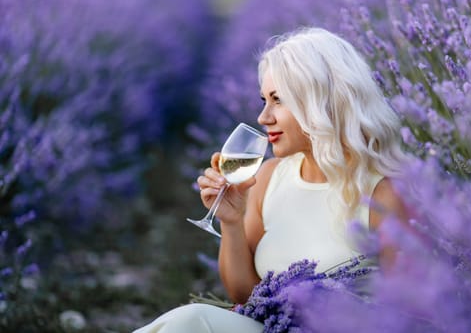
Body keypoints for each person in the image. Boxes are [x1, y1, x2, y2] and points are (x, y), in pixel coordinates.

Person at [133, 27, 408, 333]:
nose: (264, 117)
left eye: (278, 100)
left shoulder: (384, 196)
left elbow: (411, 313)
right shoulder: (269, 177)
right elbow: (244, 297)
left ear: (322, 102)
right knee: (190, 321)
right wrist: (231, 221)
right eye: (264, 99)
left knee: (192, 321)